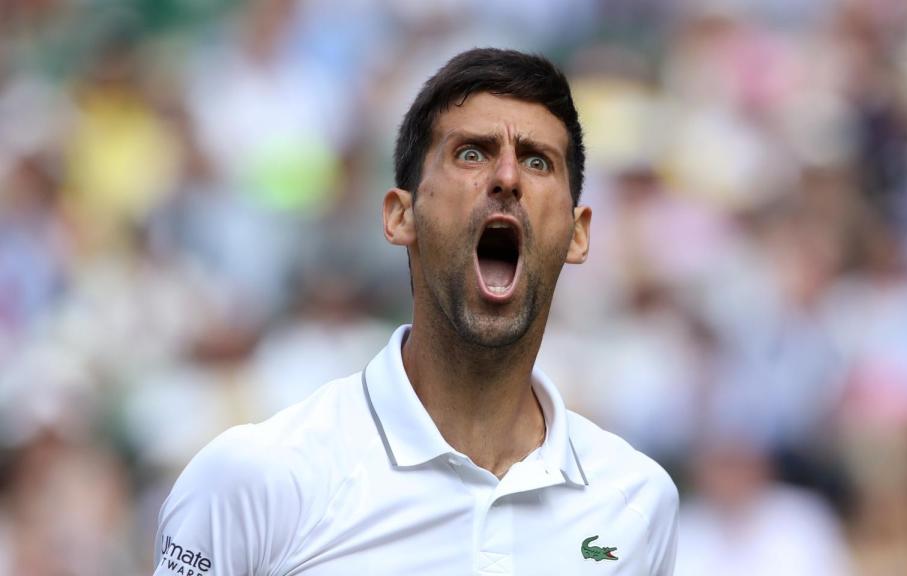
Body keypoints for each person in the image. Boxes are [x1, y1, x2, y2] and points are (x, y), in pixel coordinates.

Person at [153, 47, 679, 576]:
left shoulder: (637, 502)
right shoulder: (256, 477)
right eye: (471, 154)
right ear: (400, 216)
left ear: (578, 233)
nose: (507, 177)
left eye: (537, 161)